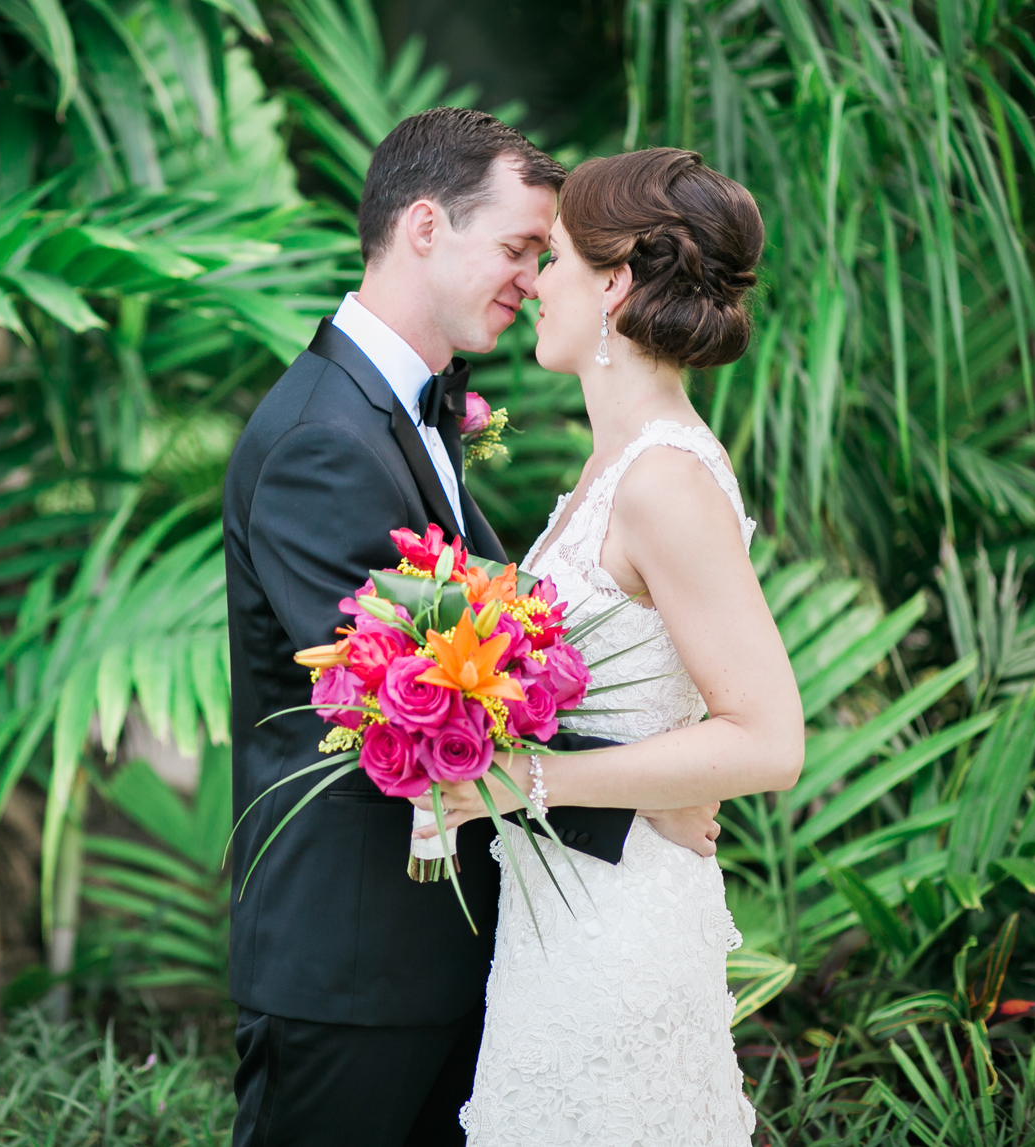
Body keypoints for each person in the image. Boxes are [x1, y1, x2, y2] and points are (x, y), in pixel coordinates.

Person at [222, 108, 725, 1147]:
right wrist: (640, 801)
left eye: (545, 255)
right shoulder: (321, 439)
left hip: (453, 953)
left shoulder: (416, 408)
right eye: (516, 247)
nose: (534, 277)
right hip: (353, 969)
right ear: (421, 226)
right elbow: (401, 697)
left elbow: (499, 648)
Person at [411, 147, 803, 1145]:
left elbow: (768, 737)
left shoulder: (661, 480)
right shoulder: (613, 463)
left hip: (618, 937)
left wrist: (522, 779)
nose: (535, 284)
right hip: (560, 930)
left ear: (615, 283)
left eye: (555, 260)